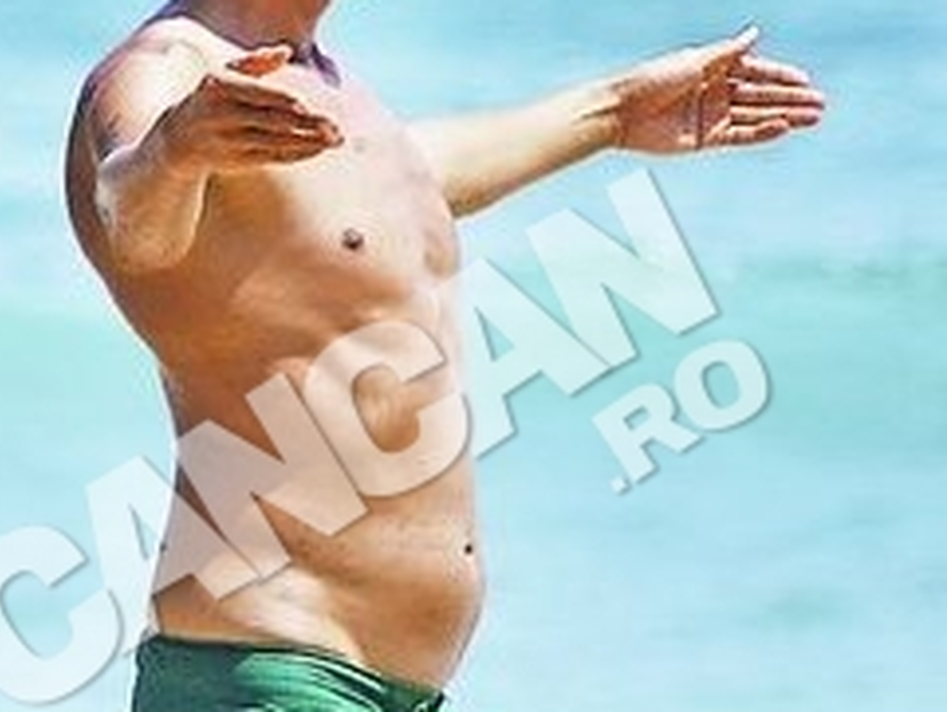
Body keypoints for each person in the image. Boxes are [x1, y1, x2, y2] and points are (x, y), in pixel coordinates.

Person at [63, 1, 825, 709]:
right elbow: (127, 215)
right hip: (268, 668)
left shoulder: (321, 85)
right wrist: (174, 152)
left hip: (389, 684)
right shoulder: (166, 68)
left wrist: (616, 110)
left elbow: (405, 181)